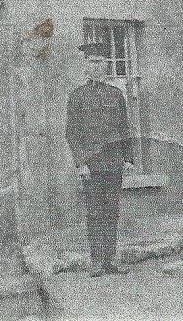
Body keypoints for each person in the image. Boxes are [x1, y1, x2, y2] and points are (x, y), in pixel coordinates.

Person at [65, 42, 135, 276]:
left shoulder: (116, 95)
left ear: (107, 65)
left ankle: (110, 260)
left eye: (100, 62)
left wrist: (128, 158)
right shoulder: (78, 96)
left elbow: (124, 128)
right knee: (95, 212)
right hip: (91, 165)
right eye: (92, 62)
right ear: (86, 66)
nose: (96, 67)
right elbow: (72, 133)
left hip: (114, 162)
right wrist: (81, 162)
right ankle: (96, 261)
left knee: (112, 211)